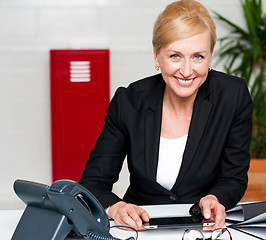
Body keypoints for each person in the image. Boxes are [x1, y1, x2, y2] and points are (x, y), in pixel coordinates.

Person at [79, 0, 252, 232]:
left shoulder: (233, 96)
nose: (187, 70)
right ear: (157, 56)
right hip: (139, 227)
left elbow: (234, 177)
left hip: (203, 227)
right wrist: (116, 207)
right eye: (175, 56)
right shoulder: (129, 102)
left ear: (210, 57)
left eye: (198, 56)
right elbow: (93, 182)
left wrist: (215, 197)